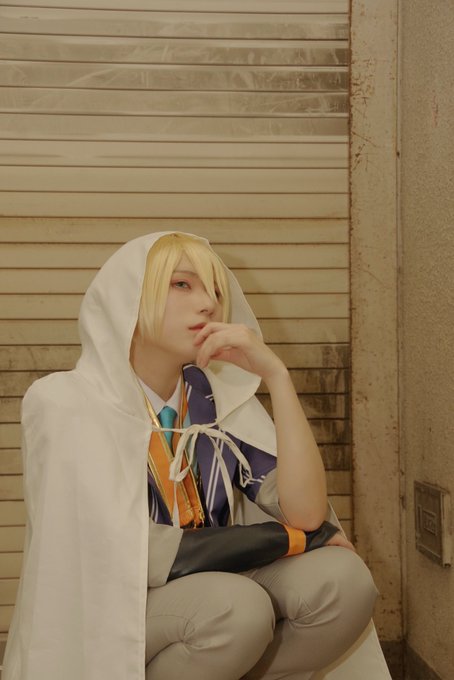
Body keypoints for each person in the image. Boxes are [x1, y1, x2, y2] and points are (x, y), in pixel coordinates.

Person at [3, 232, 389, 680]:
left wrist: (276, 376)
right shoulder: (66, 401)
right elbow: (133, 551)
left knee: (344, 583)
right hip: (115, 603)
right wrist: (287, 540)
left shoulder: (217, 402)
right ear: (130, 295)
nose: (208, 304)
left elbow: (305, 513)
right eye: (182, 284)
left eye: (217, 291)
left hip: (216, 585)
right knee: (234, 609)